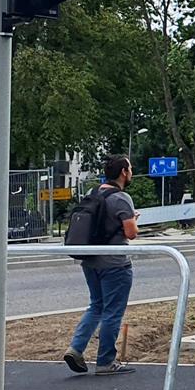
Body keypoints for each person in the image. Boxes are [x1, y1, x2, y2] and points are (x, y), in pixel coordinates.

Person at [63, 156, 138, 375]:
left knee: (96, 305)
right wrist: (134, 220)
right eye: (130, 169)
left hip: (90, 260)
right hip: (115, 263)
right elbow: (131, 233)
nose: (131, 172)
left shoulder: (92, 194)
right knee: (113, 312)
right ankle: (106, 361)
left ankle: (76, 348)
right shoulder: (122, 198)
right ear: (124, 172)